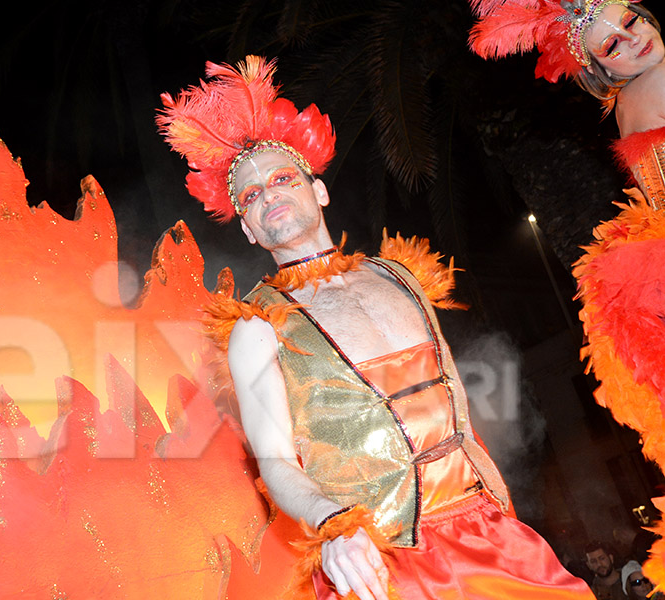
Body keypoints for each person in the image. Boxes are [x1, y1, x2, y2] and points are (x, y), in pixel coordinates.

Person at [158, 55, 594, 600]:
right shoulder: (255, 325)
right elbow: (273, 461)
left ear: (318, 190)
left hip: (493, 537)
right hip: (381, 563)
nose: (268, 195)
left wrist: (498, 501)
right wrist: (335, 526)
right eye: (250, 195)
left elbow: (454, 398)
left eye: (281, 178)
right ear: (247, 229)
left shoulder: (403, 276)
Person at [470, 0, 665, 588]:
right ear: (597, 68)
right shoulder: (651, 93)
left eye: (630, 22)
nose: (630, 41)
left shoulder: (636, 102)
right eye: (609, 45)